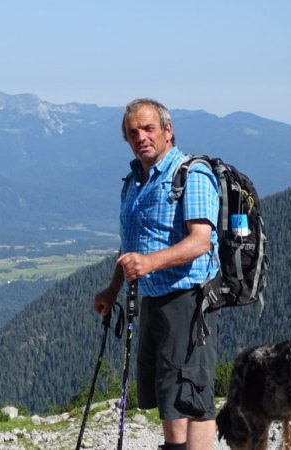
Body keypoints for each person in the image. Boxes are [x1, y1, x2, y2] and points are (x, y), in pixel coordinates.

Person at [93, 98, 221, 450]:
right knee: (168, 391)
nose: (141, 137)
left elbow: (200, 242)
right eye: (133, 133)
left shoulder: (191, 174)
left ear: (168, 131)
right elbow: (129, 246)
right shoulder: (135, 181)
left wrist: (150, 263)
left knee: (194, 396)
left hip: (189, 298)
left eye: (148, 129)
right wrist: (112, 290)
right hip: (152, 298)